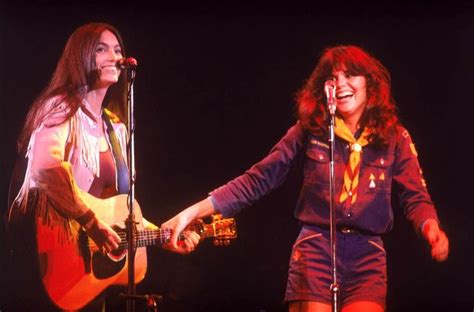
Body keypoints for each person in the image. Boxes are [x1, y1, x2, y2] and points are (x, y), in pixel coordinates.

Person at [161, 45, 450, 312]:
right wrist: (194, 211)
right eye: (333, 78)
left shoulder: (394, 137)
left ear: (370, 83)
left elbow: (415, 196)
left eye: (350, 75)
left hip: (368, 255)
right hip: (316, 248)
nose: (341, 85)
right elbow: (258, 179)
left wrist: (431, 227)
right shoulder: (309, 130)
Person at [4, 22, 200, 311]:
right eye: (101, 49)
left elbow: (117, 212)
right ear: (80, 56)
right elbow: (46, 168)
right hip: (50, 263)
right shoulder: (60, 109)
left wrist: (163, 234)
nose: (114, 56)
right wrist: (90, 223)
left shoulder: (115, 128)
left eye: (118, 50)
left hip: (89, 280)